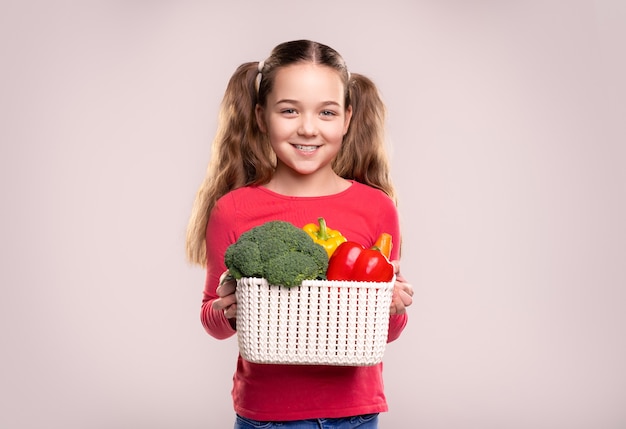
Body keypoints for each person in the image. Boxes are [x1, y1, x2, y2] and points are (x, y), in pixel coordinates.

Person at [186, 39, 414, 429]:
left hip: (355, 414)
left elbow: (388, 333)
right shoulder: (234, 209)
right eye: (289, 111)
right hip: (269, 416)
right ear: (260, 116)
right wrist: (229, 310)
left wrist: (393, 304)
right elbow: (210, 317)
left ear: (347, 118)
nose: (308, 128)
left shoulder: (377, 208)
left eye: (326, 112)